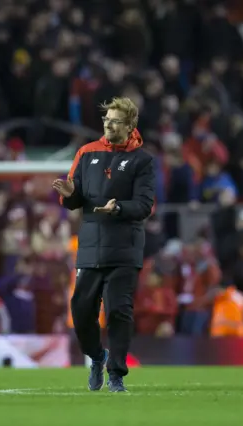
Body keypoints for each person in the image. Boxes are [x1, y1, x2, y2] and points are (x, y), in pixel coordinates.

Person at [53, 97, 155, 393]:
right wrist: (70, 194)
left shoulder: (143, 160)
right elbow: (74, 200)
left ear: (130, 126)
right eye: (106, 120)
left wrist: (119, 208)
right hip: (90, 246)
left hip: (125, 246)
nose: (108, 125)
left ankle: (116, 374)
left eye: (115, 121)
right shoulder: (86, 153)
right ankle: (98, 356)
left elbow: (145, 205)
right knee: (81, 310)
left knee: (118, 311)